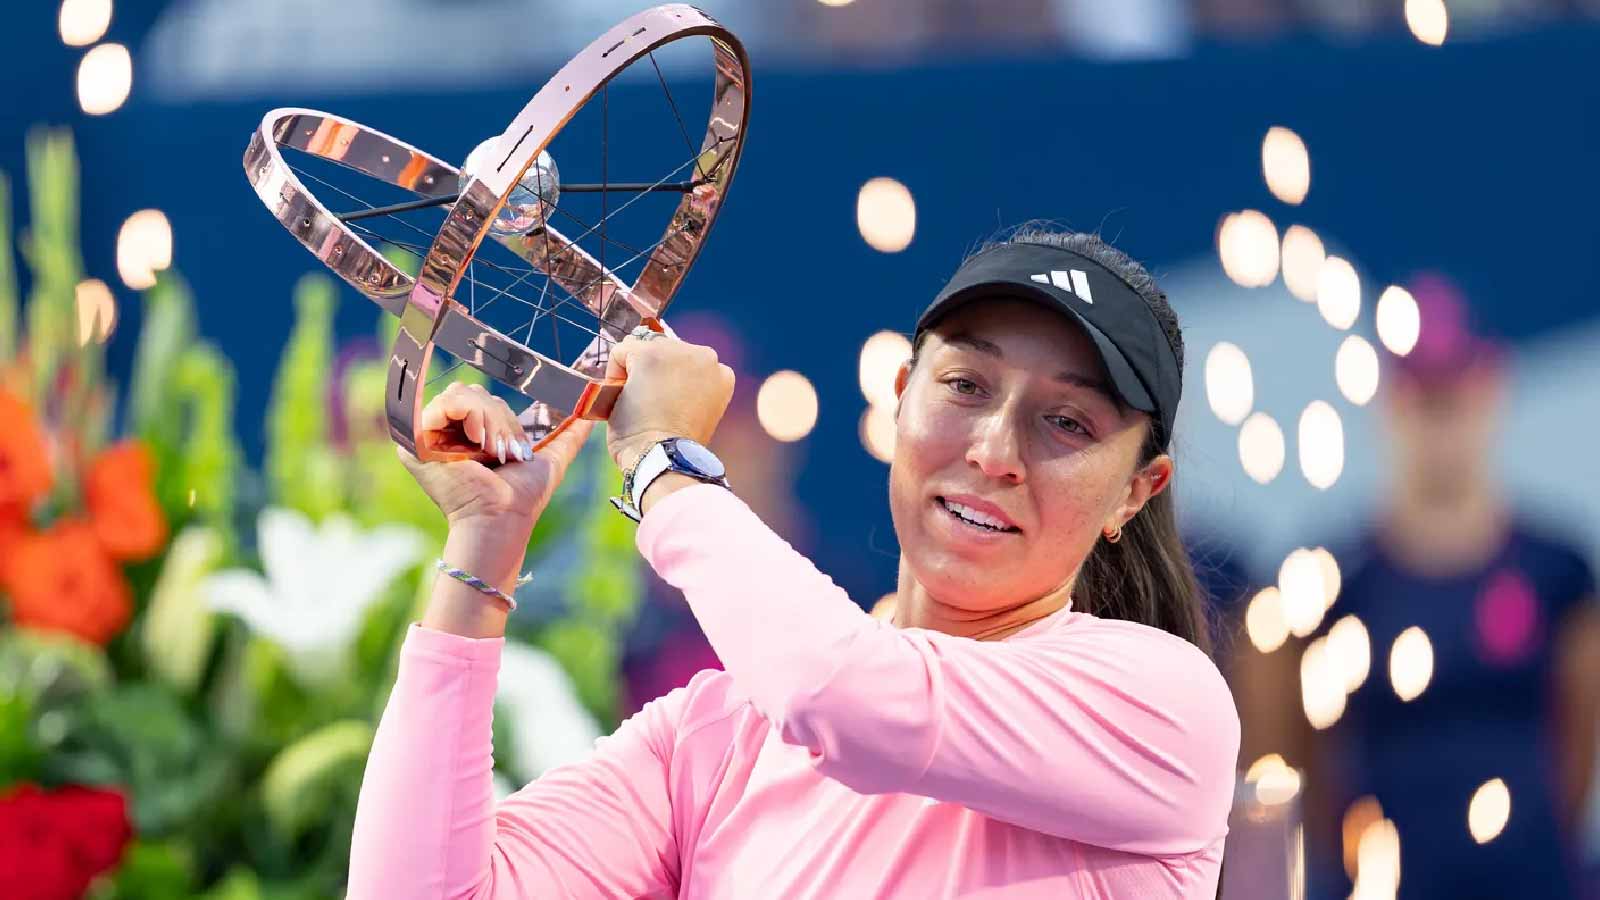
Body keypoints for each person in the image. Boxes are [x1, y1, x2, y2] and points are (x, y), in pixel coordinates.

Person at [347, 228, 1242, 899]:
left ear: (1137, 490)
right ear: (901, 400)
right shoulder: (717, 733)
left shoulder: (1165, 702)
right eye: (966, 387)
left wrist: (663, 461)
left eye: (1069, 423)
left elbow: (844, 695)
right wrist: (486, 546)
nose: (995, 451)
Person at [1235, 275, 1600, 899]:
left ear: (1492, 387)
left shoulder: (1559, 576)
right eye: (1421, 395)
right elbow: (1280, 759)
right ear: (1389, 400)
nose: (1440, 418)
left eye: (1454, 390)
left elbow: (1578, 748)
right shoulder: (1328, 584)